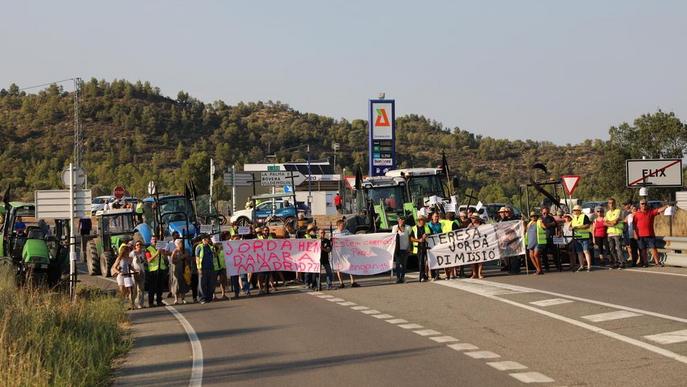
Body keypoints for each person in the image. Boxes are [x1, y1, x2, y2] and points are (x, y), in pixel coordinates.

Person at [634, 199, 668, 267]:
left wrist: (666, 206)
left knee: (653, 248)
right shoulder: (636, 214)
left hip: (650, 234)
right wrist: (635, 233)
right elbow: (634, 225)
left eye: (645, 204)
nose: (644, 205)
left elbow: (658, 210)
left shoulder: (650, 212)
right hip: (640, 235)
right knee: (643, 250)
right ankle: (645, 263)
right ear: (640, 205)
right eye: (642, 204)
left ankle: (657, 262)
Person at [333, 219, 359, 287]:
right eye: (342, 225)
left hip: (347, 253)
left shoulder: (346, 231)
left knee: (350, 266)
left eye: (344, 225)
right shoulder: (334, 233)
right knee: (339, 268)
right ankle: (341, 283)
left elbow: (353, 237)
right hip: (338, 253)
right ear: (338, 226)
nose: (343, 226)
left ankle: (353, 282)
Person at [145, 237, 167, 307]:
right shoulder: (148, 249)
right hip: (153, 270)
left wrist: (163, 252)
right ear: (151, 241)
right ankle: (151, 303)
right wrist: (157, 253)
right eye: (153, 240)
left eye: (156, 240)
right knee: (152, 287)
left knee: (160, 287)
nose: (155, 241)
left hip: (161, 268)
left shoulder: (160, 247)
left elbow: (164, 257)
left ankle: (159, 301)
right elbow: (149, 260)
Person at [111, 245, 135, 309]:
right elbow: (114, 268)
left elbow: (130, 266)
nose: (128, 252)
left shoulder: (130, 258)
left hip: (127, 275)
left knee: (130, 290)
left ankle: (132, 305)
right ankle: (121, 305)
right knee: (122, 291)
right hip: (121, 276)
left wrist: (135, 270)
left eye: (129, 251)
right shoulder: (120, 258)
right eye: (127, 251)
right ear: (124, 251)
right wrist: (119, 272)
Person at [604, 198, 625, 269]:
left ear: (615, 203)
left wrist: (609, 222)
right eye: (609, 203)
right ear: (608, 204)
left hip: (617, 232)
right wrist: (611, 223)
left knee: (619, 248)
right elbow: (604, 223)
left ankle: (622, 262)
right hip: (610, 233)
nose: (611, 204)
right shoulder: (607, 213)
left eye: (612, 203)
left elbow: (615, 222)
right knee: (612, 249)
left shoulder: (618, 211)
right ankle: (615, 262)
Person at [195, 235, 217, 303]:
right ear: (202, 240)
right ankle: (202, 298)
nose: (206, 240)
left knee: (210, 284)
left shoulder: (211, 247)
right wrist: (199, 268)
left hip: (211, 268)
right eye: (205, 239)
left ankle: (209, 298)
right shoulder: (199, 247)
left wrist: (215, 248)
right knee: (202, 284)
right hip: (203, 268)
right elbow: (197, 258)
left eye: (207, 239)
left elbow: (215, 255)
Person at [571, 205, 592, 272]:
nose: (574, 211)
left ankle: (589, 266)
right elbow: (571, 226)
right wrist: (571, 228)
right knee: (579, 252)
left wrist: (578, 227)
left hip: (584, 237)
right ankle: (581, 266)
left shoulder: (584, 216)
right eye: (573, 210)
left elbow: (587, 225)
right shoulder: (574, 218)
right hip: (577, 237)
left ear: (579, 210)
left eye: (575, 210)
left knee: (586, 251)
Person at [410, 216, 431, 282]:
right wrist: (419, 240)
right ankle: (422, 276)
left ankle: (425, 275)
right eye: (421, 220)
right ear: (419, 221)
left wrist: (426, 235)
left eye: (424, 220)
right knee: (421, 262)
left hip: (427, 246)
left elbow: (430, 234)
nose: (423, 221)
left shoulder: (427, 227)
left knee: (428, 262)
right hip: (418, 247)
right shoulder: (414, 228)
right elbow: (411, 238)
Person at [391, 216, 411, 283]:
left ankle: (402, 278)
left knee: (404, 264)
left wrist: (409, 247)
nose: (402, 220)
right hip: (397, 249)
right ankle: (398, 278)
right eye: (400, 219)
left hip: (405, 248)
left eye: (403, 219)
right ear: (398, 220)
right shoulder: (394, 227)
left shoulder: (408, 227)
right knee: (398, 264)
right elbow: (392, 238)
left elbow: (410, 238)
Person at [169, 239, 190, 304]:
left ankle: (183, 298)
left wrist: (186, 257)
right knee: (176, 284)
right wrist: (180, 257)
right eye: (180, 243)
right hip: (177, 270)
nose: (181, 244)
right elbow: (172, 261)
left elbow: (188, 259)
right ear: (177, 244)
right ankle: (176, 299)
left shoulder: (185, 250)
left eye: (182, 243)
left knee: (184, 283)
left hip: (184, 269)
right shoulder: (175, 251)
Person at [129, 241, 148, 309]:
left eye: (140, 244)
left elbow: (145, 261)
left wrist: (144, 261)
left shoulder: (143, 253)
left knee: (141, 289)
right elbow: (129, 263)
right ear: (135, 246)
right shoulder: (132, 253)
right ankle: (132, 304)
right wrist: (134, 270)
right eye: (137, 245)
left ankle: (140, 304)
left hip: (142, 272)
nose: (139, 246)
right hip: (134, 273)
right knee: (134, 289)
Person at [213, 234, 230, 300]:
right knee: (214, 282)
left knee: (222, 281)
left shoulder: (223, 246)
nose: (218, 243)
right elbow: (214, 255)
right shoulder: (212, 247)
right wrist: (219, 249)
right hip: (215, 267)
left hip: (222, 266)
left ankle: (223, 294)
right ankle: (213, 295)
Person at [427, 212, 443, 280]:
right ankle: (431, 274)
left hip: (438, 244)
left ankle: (437, 274)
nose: (436, 218)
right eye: (435, 216)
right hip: (430, 244)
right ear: (432, 217)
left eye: (437, 216)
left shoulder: (440, 224)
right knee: (431, 260)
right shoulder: (428, 225)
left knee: (437, 259)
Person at [468, 213, 485, 278]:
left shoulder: (482, 225)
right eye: (471, 218)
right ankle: (474, 273)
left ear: (477, 218)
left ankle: (479, 273)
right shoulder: (470, 225)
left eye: (473, 218)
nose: (472, 219)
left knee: (480, 259)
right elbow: (466, 232)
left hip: (481, 244)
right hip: (472, 244)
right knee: (473, 259)